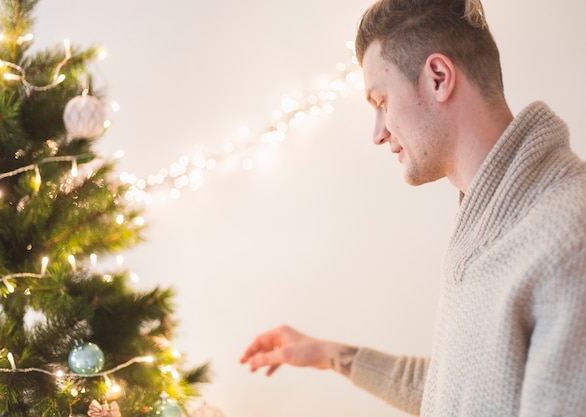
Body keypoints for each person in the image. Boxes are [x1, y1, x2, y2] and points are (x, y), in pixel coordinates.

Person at [239, 0, 586, 416]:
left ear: (438, 78)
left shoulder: (568, 239)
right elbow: (460, 393)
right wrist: (328, 354)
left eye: (381, 101)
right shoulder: (486, 223)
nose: (378, 133)